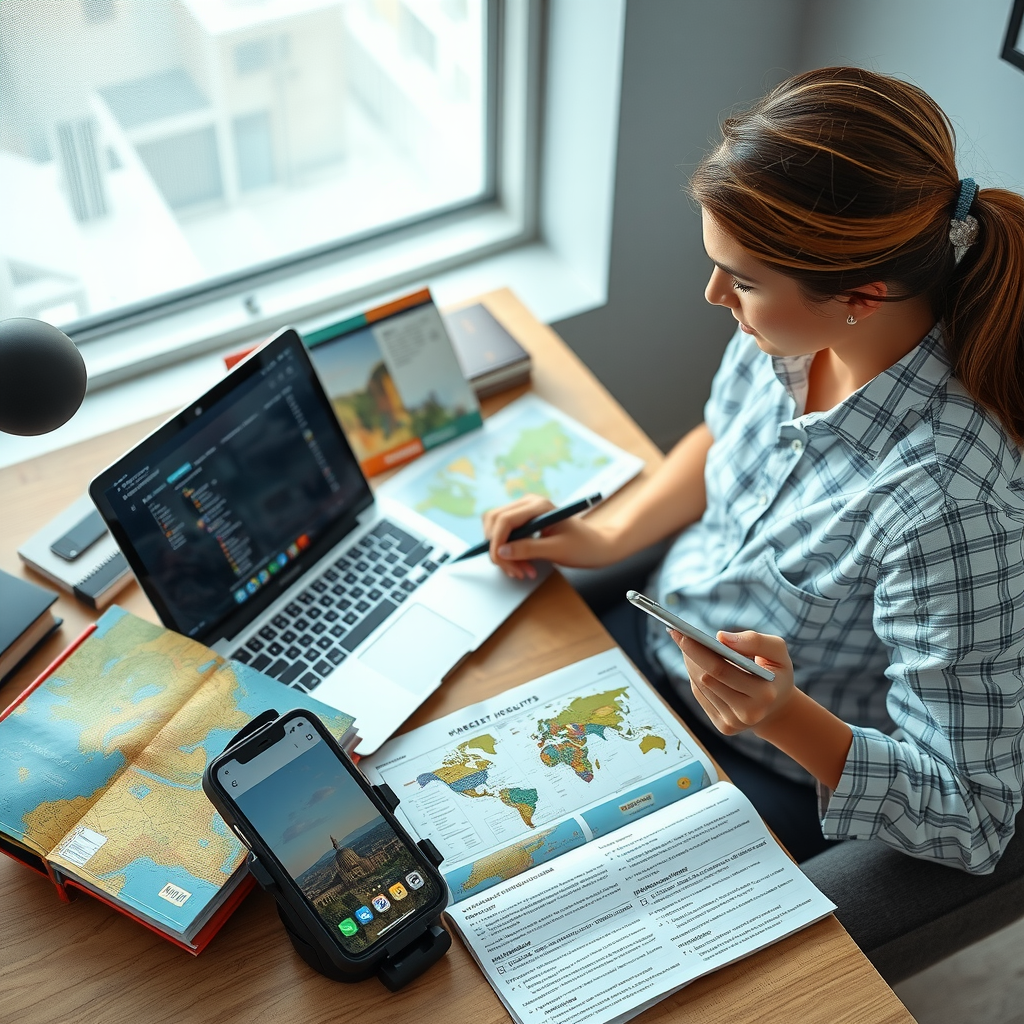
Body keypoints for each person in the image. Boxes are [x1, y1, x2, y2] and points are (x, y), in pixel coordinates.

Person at [482, 67, 1024, 873]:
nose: (712, 296)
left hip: (771, 763)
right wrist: (608, 534)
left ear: (861, 297)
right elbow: (724, 438)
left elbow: (975, 816)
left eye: (741, 279)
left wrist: (781, 714)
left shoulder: (949, 505)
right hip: (663, 629)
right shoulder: (786, 332)